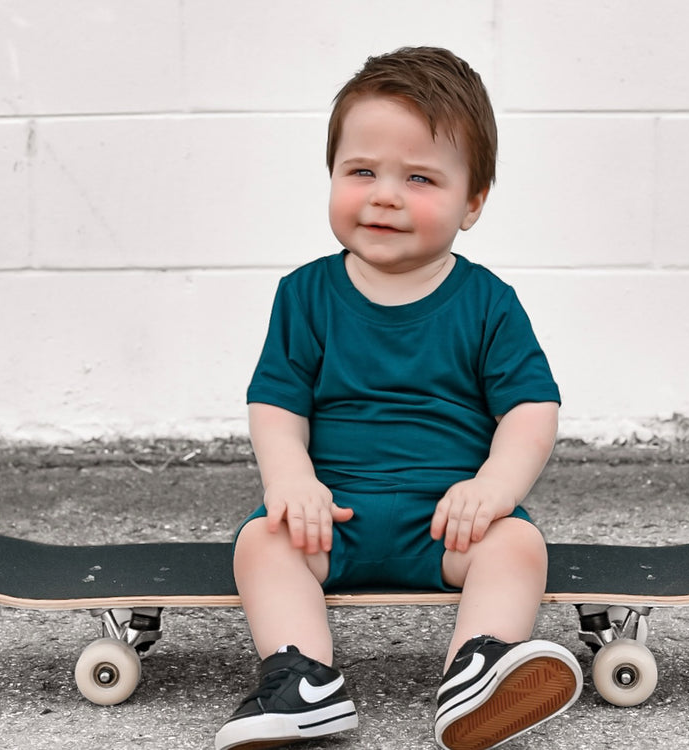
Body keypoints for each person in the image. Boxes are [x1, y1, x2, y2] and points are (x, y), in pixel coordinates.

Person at [215, 46, 582, 750]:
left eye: (419, 177)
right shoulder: (306, 295)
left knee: (518, 544)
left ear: (472, 202)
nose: (384, 194)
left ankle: (478, 668)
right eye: (361, 171)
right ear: (331, 174)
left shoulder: (487, 302)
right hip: (330, 516)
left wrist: (494, 488)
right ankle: (301, 680)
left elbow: (531, 408)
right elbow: (278, 403)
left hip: (448, 522)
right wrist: (291, 481)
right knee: (261, 542)